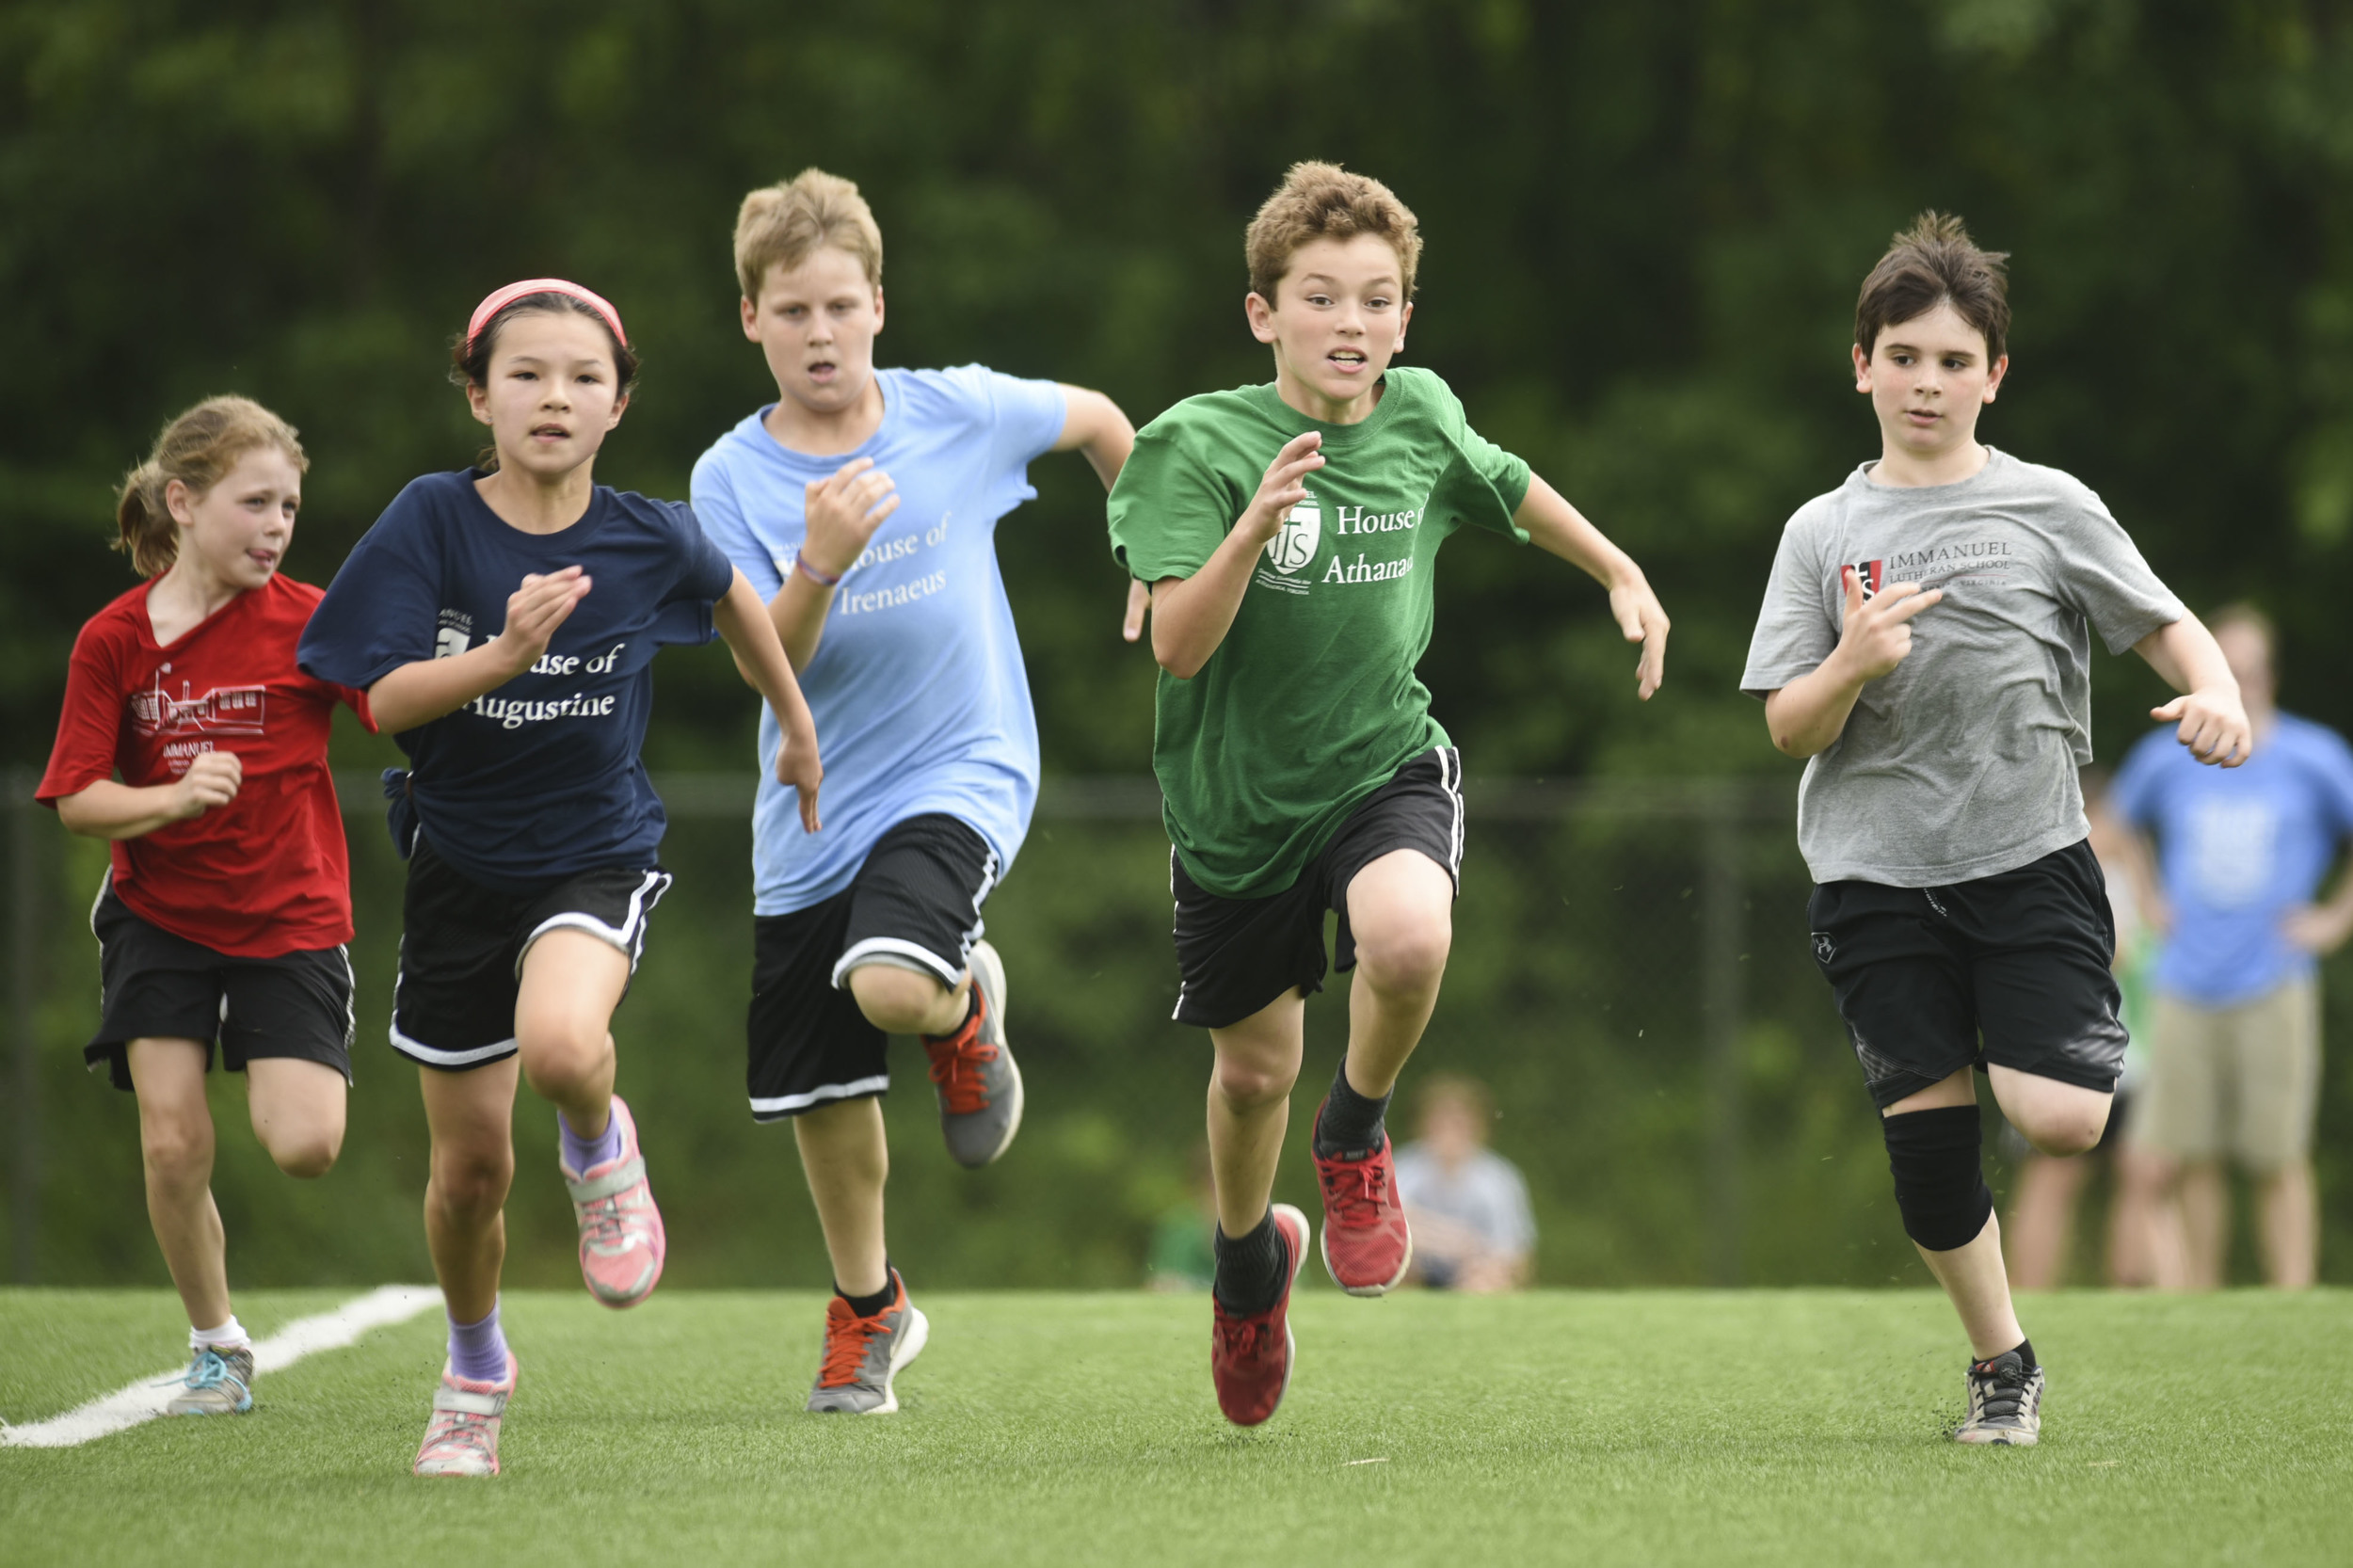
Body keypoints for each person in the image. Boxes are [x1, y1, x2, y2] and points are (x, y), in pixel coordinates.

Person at [1107, 162, 1670, 1427]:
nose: (1351, 320)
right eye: (1322, 296)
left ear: (1405, 319)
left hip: (1383, 762)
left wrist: (1617, 568)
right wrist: (1251, 528)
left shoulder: (1417, 412)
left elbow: (1505, 480)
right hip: (1236, 811)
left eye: (1377, 298)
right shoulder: (1188, 444)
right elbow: (1180, 649)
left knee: (1410, 937)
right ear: (1266, 313)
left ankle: (1356, 1132)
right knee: (1252, 1076)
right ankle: (1249, 1266)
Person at [298, 280, 823, 1478]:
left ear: (619, 406)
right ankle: (475, 1365)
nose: (555, 396)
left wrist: (792, 723)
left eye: (584, 377)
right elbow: (377, 702)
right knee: (468, 1176)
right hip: (456, 872)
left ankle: (598, 1147)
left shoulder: (645, 533)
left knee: (565, 1047)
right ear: (478, 395)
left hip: (595, 851)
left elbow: (735, 596)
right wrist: (504, 653)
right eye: (526, 374)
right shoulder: (432, 521)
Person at [1741, 213, 2249, 1448]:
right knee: (1930, 1160)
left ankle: (2023, 1032)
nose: (1928, 382)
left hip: (2030, 860)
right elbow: (1789, 729)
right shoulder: (1823, 533)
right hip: (1873, 878)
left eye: (1954, 361)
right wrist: (1854, 662)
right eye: (1905, 355)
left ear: (1994, 375)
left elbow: (2164, 622)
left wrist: (2220, 687)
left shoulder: (2050, 504)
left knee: (2067, 1116)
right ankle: (2002, 1363)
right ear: (1861, 362)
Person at [689, 169, 1138, 1416]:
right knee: (822, 1097)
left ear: (879, 305)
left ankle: (955, 1008)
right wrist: (820, 563)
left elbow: (1105, 420)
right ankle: (871, 1308)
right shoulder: (728, 479)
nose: (819, 333)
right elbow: (757, 654)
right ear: (752, 322)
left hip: (964, 765)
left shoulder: (960, 412)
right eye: (791, 312)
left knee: (891, 979)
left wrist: (1149, 546)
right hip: (814, 805)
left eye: (839, 305)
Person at [39, 396, 373, 1419]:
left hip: (291, 913)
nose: (277, 525)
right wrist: (172, 799)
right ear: (182, 502)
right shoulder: (114, 641)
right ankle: (216, 1344)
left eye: (289, 506)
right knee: (173, 1142)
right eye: (255, 502)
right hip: (160, 914)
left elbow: (399, 700)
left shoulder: (316, 623)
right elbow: (78, 800)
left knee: (305, 1144)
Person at [2111, 603, 2353, 1289]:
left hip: (2275, 978)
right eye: (2230, 669)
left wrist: (2335, 921)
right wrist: (2151, 899)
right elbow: (2121, 826)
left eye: (2251, 670)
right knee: (2192, 1154)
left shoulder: (2314, 757)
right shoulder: (2171, 754)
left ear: (2269, 675)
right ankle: (2203, 1302)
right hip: (2185, 982)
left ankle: (2291, 1296)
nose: (2241, 683)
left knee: (2277, 1154)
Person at [2000, 771, 2185, 1289]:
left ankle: (2137, 1291)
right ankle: (2026, 1295)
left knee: (2143, 1172)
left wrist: (2141, 871)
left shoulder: (2133, 879)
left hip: (2139, 1058)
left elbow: (2159, 937)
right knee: (2054, 1176)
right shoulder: (2053, 881)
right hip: (2063, 1053)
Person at [1392, 1074, 1534, 1291]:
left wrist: (1481, 1262)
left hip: (1474, 1270)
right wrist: (1451, 1241)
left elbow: (1516, 1255)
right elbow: (1386, 1226)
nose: (1449, 1133)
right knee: (1390, 1264)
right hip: (1416, 1269)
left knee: (1489, 1279)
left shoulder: (1500, 1179)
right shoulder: (1402, 1168)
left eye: (1458, 1123)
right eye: (1440, 1122)